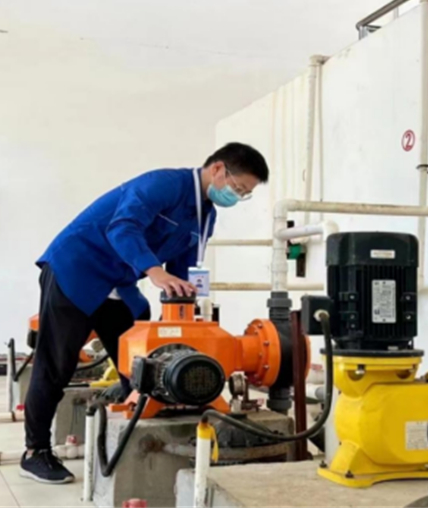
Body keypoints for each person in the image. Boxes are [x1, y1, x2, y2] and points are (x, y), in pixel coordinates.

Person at [20, 143, 269, 484]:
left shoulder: (206, 215)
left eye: (244, 194)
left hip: (119, 283)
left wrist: (185, 313)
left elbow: (184, 266)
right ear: (218, 170)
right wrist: (155, 271)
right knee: (56, 365)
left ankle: (138, 422)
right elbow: (122, 228)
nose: (236, 197)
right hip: (77, 269)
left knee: (142, 359)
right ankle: (35, 452)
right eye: (238, 188)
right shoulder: (162, 185)